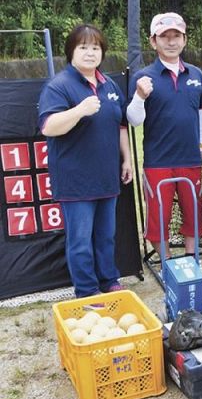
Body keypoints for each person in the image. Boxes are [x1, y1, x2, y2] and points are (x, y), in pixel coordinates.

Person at [38, 23, 132, 298]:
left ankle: (109, 280)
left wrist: (126, 159)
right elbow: (48, 127)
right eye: (83, 47)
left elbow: (121, 126)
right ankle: (87, 291)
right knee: (80, 242)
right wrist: (79, 110)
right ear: (71, 52)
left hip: (106, 176)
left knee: (106, 237)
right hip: (75, 180)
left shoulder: (109, 84)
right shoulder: (59, 86)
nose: (90, 53)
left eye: (95, 47)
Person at [126, 12, 202, 258]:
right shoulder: (143, 77)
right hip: (157, 161)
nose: (171, 42)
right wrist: (140, 97)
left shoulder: (196, 74)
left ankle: (191, 260)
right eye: (165, 36)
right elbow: (133, 119)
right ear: (153, 41)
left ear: (184, 40)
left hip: (191, 159)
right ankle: (167, 265)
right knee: (158, 216)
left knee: (193, 213)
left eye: (176, 36)